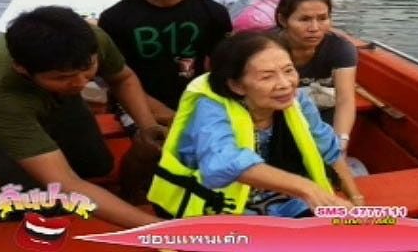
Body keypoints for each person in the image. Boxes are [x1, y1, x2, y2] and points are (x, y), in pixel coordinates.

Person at [0, 6, 161, 228]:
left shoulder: (89, 40)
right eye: (63, 77)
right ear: (22, 69)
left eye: (88, 70)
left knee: (98, 165)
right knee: (33, 200)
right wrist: (161, 229)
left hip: (61, 97)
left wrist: (149, 129)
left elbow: (122, 79)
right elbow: (66, 183)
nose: (82, 84)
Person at [147, 32, 364, 219]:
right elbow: (220, 164)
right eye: (267, 77)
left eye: (288, 70)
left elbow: (327, 146)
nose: (285, 84)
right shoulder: (210, 107)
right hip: (215, 206)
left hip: (280, 199)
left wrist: (355, 199)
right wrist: (305, 187)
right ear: (237, 85)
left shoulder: (296, 99)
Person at [99, 0, 232, 124]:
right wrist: (171, 117)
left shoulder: (213, 13)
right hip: (137, 105)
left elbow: (223, 70)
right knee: (152, 145)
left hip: (200, 102)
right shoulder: (115, 19)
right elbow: (117, 80)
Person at [275, 0, 357, 152]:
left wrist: (341, 143)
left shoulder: (340, 48)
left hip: (320, 107)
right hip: (277, 109)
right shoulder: (267, 48)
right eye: (304, 19)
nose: (314, 28)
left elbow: (345, 100)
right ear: (283, 20)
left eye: (322, 18)